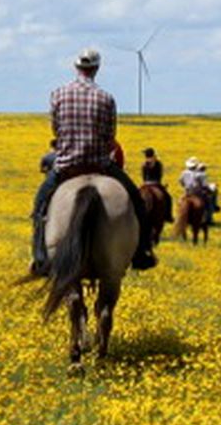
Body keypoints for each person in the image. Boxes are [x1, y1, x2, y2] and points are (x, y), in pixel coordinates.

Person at [30, 48, 157, 273]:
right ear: (96, 69)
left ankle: (40, 257)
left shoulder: (58, 94)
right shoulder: (106, 98)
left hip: (66, 167)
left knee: (40, 206)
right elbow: (110, 136)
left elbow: (56, 128)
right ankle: (142, 252)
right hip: (100, 165)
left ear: (76, 67)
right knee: (137, 201)